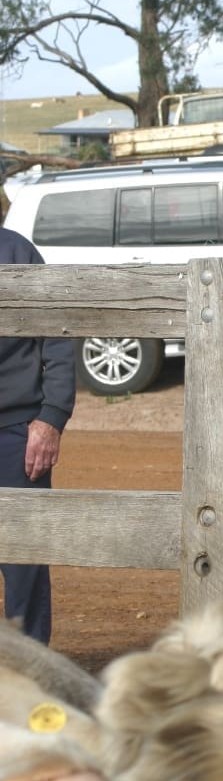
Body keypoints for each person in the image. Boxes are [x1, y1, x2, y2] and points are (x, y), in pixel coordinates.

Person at [0, 227, 76, 642]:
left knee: (23, 563)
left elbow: (58, 342)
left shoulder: (16, 250)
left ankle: (29, 673)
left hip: (13, 433)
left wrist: (50, 419)